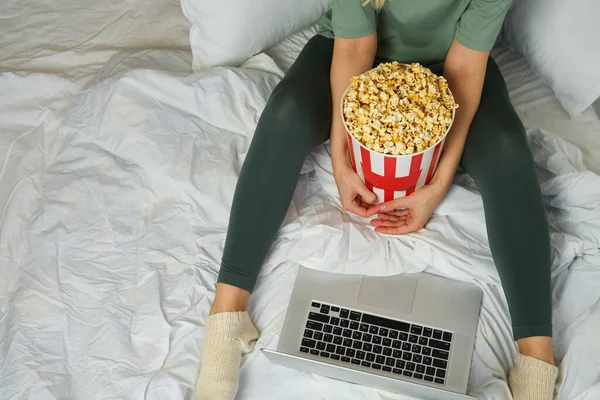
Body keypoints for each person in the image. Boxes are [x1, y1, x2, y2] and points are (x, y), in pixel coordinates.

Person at [196, 0, 560, 399]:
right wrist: (342, 156)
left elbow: (464, 68)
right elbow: (355, 48)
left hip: (452, 66)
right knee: (285, 114)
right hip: (350, 53)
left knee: (507, 150)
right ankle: (227, 316)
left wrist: (436, 184)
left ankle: (537, 358)